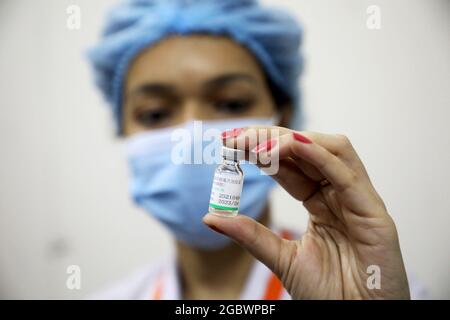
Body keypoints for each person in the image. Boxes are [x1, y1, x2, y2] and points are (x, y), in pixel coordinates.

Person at [88, 0, 425, 299]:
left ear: (284, 117)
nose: (193, 135)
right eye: (155, 113)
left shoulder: (377, 289)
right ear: (122, 129)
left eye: (231, 103)